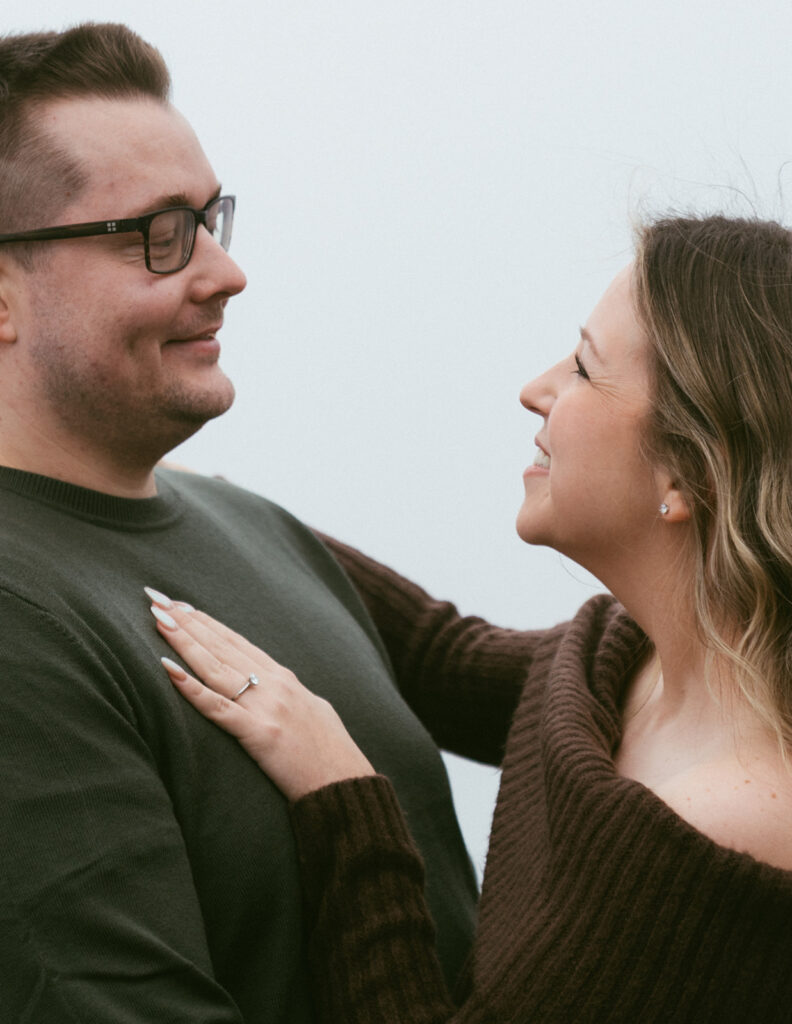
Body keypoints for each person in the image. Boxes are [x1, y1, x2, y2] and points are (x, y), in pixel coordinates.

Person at [153, 214, 792, 1023]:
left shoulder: (718, 829)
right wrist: (185, 500)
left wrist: (341, 792)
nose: (538, 387)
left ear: (688, 469)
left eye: (586, 370)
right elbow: (440, 656)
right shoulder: (624, 660)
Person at [0, 23, 480, 1023]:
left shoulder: (255, 525)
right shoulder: (17, 615)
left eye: (210, 218)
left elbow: (526, 680)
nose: (226, 272)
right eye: (158, 233)